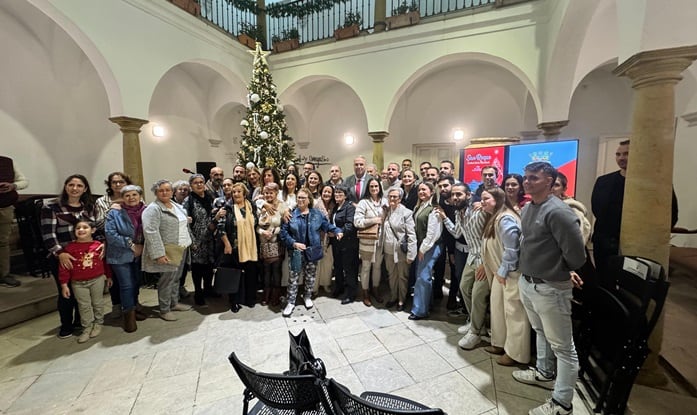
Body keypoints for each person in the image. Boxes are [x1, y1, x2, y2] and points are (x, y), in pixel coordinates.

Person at [513, 162, 586, 415]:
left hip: (551, 287)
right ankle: (544, 372)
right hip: (530, 282)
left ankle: (562, 403)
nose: (526, 182)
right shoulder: (529, 208)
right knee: (539, 331)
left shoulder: (559, 212)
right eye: (526, 177)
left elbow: (577, 256)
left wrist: (560, 270)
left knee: (564, 348)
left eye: (533, 178)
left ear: (549, 181)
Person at [590, 139, 678, 275]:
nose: (621, 158)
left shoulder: (656, 183)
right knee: (604, 280)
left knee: (634, 286)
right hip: (605, 241)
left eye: (626, 154)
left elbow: (670, 214)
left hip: (640, 244)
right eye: (618, 154)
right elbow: (597, 208)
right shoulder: (603, 181)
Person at [41, 174, 98, 339]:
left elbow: (95, 230)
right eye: (71, 185)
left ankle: (81, 322)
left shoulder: (88, 207)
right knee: (66, 292)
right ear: (65, 186)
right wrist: (60, 253)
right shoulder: (52, 208)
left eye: (79, 186)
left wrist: (100, 246)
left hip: (85, 256)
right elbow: (48, 235)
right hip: (62, 256)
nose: (75, 188)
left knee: (83, 291)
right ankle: (66, 325)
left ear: (85, 189)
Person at [480, 188, 530, 367]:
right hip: (499, 273)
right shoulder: (495, 216)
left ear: (498, 199)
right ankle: (500, 343)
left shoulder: (506, 218)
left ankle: (515, 353)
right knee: (498, 309)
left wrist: (502, 271)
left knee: (514, 313)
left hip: (510, 274)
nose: (482, 202)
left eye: (486, 198)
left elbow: (512, 249)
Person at [280, 188, 343, 317]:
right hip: (296, 251)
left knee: (310, 276)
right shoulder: (291, 214)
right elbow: (283, 233)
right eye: (299, 197)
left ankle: (307, 296)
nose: (300, 200)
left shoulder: (316, 214)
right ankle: (291, 302)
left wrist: (337, 230)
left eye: (303, 198)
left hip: (312, 251)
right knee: (293, 278)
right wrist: (293, 243)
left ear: (309, 200)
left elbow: (326, 226)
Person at [142, 180, 193, 322]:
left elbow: (179, 221)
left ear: (172, 192)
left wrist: (186, 220)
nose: (165, 193)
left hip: (181, 246)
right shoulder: (153, 209)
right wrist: (158, 254)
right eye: (161, 190)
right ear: (156, 193)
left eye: (167, 190)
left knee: (176, 278)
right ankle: (164, 309)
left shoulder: (176, 205)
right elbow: (150, 231)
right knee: (166, 280)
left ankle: (174, 302)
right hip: (168, 249)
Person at [58, 220, 111, 343]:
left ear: (92, 230)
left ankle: (98, 323)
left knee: (97, 303)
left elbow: (104, 262)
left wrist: (108, 276)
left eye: (85, 227)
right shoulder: (70, 248)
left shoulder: (98, 246)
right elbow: (64, 268)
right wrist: (64, 285)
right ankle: (87, 327)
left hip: (97, 280)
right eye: (78, 228)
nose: (81, 230)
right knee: (83, 306)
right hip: (78, 283)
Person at [105, 185, 147, 332]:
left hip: (140, 252)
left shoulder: (146, 210)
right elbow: (110, 234)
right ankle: (128, 316)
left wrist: (141, 246)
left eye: (134, 194)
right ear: (123, 198)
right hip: (120, 254)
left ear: (140, 196)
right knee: (127, 285)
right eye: (127, 195)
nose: (131, 198)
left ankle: (135, 308)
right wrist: (131, 245)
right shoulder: (114, 213)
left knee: (136, 282)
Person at [95, 172, 131, 319]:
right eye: (114, 182)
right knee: (115, 277)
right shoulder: (102, 201)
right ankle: (116, 305)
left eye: (121, 182)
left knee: (132, 278)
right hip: (112, 243)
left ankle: (132, 305)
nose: (117, 185)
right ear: (109, 185)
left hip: (132, 244)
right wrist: (112, 210)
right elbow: (98, 223)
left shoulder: (132, 197)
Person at [218, 183, 259, 312]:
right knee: (235, 276)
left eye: (238, 192)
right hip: (234, 248)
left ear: (244, 193)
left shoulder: (251, 206)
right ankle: (234, 301)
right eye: (234, 192)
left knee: (250, 274)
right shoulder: (228, 208)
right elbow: (221, 228)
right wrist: (227, 244)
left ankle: (250, 298)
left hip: (251, 246)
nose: (236, 194)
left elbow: (256, 222)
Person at [409, 182, 442, 320]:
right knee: (423, 276)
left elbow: (433, 233)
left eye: (424, 189)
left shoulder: (434, 209)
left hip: (429, 247)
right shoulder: (419, 206)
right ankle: (427, 305)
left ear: (432, 192)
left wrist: (423, 249)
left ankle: (420, 311)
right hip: (421, 246)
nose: (421, 192)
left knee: (423, 278)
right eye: (419, 190)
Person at [185, 174, 218, 307]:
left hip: (210, 238)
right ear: (191, 186)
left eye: (201, 182)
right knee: (198, 269)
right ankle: (198, 293)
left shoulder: (210, 197)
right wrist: (192, 242)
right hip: (197, 240)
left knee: (209, 267)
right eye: (195, 183)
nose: (199, 185)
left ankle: (208, 289)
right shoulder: (189, 201)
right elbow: (185, 223)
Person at [383, 187, 417, 311]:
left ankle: (401, 299)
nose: (392, 199)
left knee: (402, 276)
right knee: (391, 275)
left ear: (400, 198)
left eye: (395, 197)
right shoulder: (387, 211)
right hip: (388, 250)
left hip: (401, 251)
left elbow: (412, 235)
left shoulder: (406, 213)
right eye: (390, 196)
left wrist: (411, 254)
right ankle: (393, 296)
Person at [354, 177, 386, 307]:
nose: (374, 189)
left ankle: (376, 289)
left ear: (380, 188)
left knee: (377, 266)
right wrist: (374, 220)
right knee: (366, 267)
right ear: (368, 188)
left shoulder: (385, 201)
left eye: (376, 186)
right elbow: (357, 222)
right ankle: (365, 292)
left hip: (381, 241)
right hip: (367, 241)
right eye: (371, 186)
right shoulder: (363, 203)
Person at [0, 156, 28, 288]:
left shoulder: (8, 162)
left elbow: (24, 181)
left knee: (3, 242)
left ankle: (3, 275)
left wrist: (13, 186)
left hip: (5, 207)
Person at [257, 183, 286, 306]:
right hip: (264, 243)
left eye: (271, 193)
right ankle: (266, 293)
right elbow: (256, 225)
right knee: (266, 271)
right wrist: (263, 232)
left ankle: (276, 294)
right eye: (266, 193)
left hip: (276, 242)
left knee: (276, 270)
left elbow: (283, 225)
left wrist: (273, 232)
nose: (268, 195)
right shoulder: (260, 205)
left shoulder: (281, 205)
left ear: (276, 193)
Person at [330, 186, 359, 304]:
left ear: (346, 195)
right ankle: (339, 288)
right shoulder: (336, 207)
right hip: (336, 243)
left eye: (340, 193)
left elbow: (349, 225)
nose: (337, 195)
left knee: (349, 269)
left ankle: (351, 294)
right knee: (338, 267)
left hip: (348, 243)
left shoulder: (349, 207)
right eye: (336, 193)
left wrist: (337, 232)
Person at [553, 172, 591, 244]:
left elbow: (577, 242)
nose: (552, 188)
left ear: (564, 189)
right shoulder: (533, 207)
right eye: (549, 184)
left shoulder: (572, 209)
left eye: (556, 185)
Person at [314, 184, 336, 295]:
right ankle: (315, 287)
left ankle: (326, 284)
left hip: (330, 239)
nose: (326, 194)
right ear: (321, 192)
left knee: (328, 263)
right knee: (317, 263)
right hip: (318, 238)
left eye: (329, 192)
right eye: (325, 191)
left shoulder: (333, 205)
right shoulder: (315, 204)